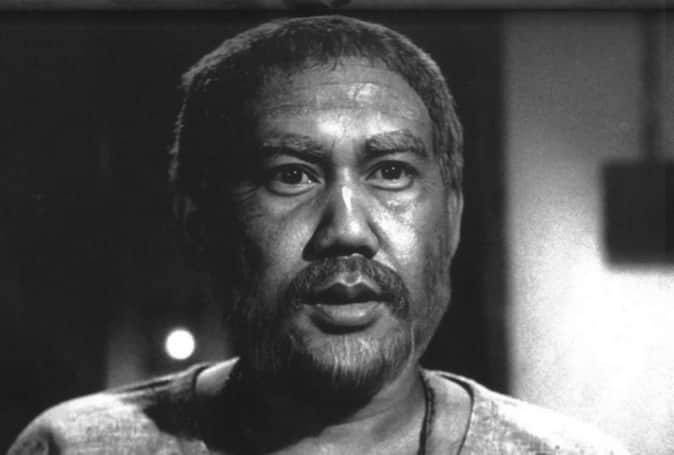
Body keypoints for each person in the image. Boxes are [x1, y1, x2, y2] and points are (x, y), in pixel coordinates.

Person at [9, 15, 628, 455]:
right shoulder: (76, 446)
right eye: (291, 175)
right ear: (200, 225)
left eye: (391, 172)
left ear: (453, 219)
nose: (348, 230)